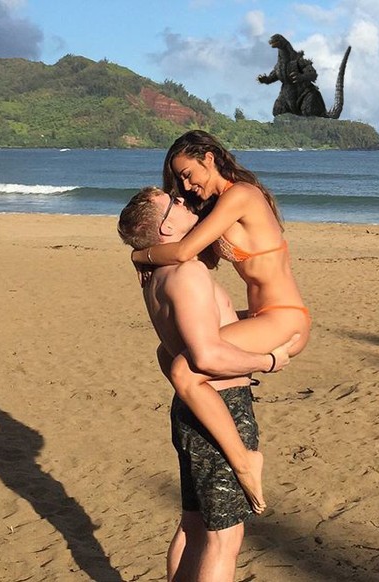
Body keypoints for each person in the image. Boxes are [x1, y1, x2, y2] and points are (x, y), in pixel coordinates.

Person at [118, 186, 297, 582]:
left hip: (190, 410)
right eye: (174, 202)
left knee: (194, 525)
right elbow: (207, 356)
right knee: (224, 537)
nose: (184, 200)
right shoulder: (187, 273)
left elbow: (180, 343)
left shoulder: (157, 277)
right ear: (167, 228)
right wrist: (268, 361)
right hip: (220, 408)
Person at [131, 130, 311, 513]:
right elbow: (194, 257)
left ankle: (245, 462)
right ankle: (209, 418)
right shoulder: (217, 207)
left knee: (184, 370)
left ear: (209, 158)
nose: (185, 185)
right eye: (179, 180)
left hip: (284, 316)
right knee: (167, 352)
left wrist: (140, 256)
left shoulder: (241, 195)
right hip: (260, 315)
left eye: (187, 173)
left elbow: (184, 251)